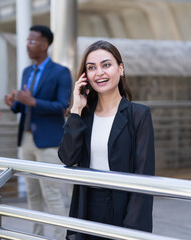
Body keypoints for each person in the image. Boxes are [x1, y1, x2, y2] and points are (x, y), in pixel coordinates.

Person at [58, 40, 155, 240]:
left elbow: (144, 174)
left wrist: (132, 229)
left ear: (120, 69)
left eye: (106, 65)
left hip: (124, 208)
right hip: (86, 206)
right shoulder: (83, 115)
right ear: (85, 76)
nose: (99, 73)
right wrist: (76, 109)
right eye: (91, 68)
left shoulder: (138, 115)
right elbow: (68, 157)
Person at [4, 25, 72, 239]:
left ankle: (60, 236)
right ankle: (36, 236)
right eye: (27, 40)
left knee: (51, 193)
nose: (28, 45)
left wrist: (32, 101)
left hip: (49, 142)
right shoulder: (27, 71)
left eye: (32, 41)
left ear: (45, 44)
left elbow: (63, 106)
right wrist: (14, 103)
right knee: (32, 194)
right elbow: (25, 106)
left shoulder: (61, 72)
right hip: (26, 140)